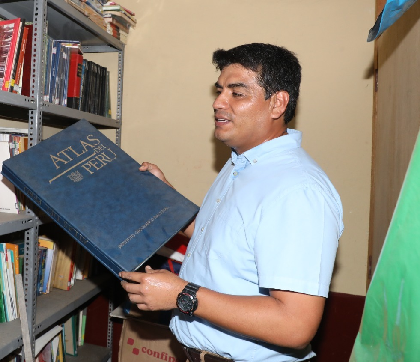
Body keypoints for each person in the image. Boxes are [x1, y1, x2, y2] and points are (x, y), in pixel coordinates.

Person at [119, 43, 344, 362]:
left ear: (278, 103)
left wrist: (181, 294)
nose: (218, 103)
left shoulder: (297, 190)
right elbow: (224, 243)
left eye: (237, 93)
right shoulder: (242, 162)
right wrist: (163, 194)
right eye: (220, 90)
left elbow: (295, 326)